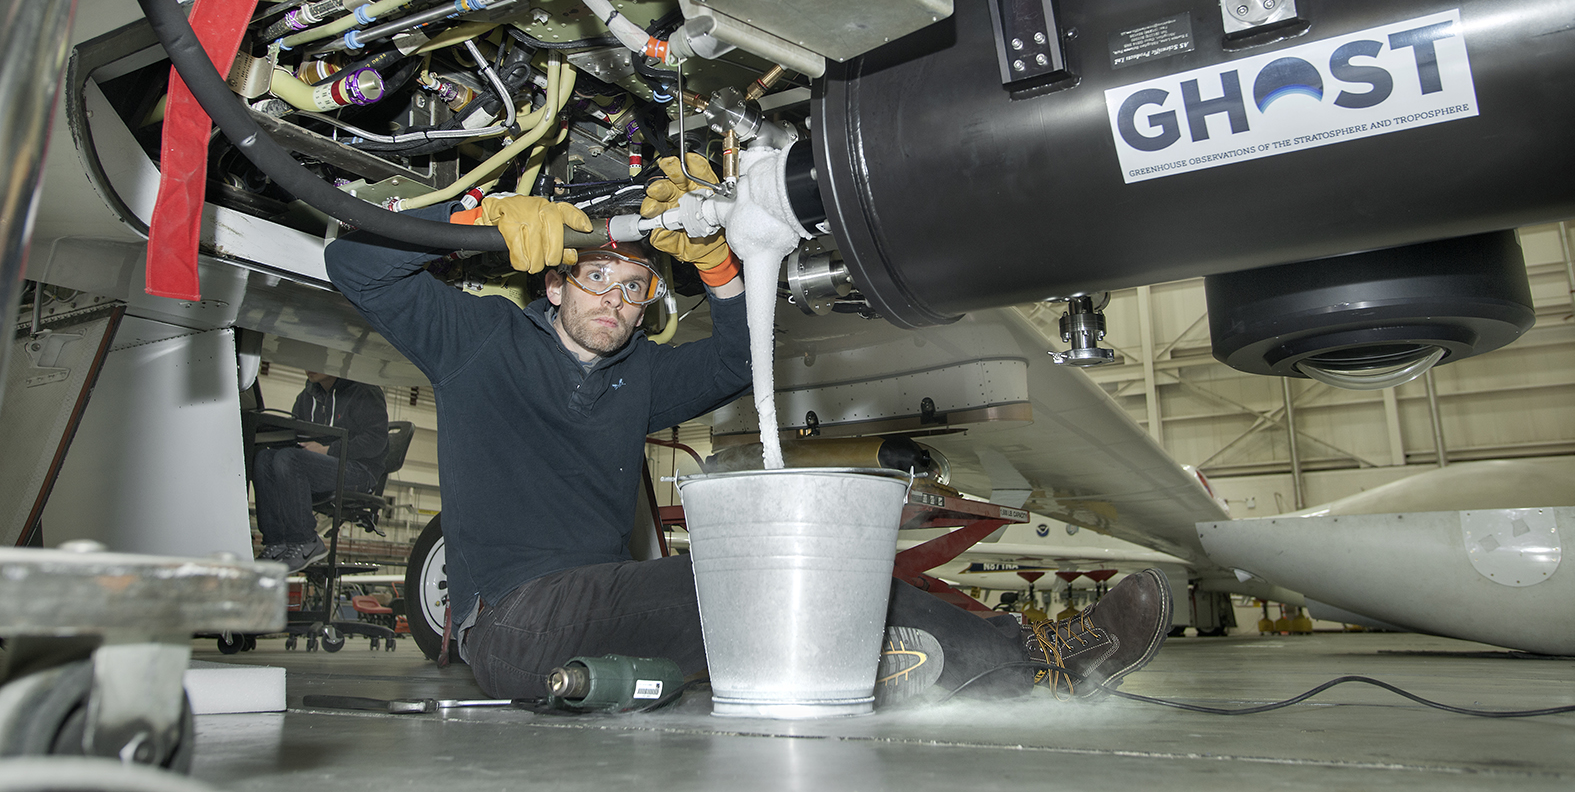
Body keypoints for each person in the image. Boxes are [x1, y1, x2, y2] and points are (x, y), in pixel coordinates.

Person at [325, 154, 1170, 705]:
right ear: (553, 285)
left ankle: (929, 665)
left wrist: (719, 265)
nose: (614, 302)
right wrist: (483, 216)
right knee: (750, 579)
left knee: (782, 589)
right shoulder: (477, 342)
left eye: (633, 289)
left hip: (615, 613)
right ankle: (1041, 659)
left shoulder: (636, 377)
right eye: (595, 279)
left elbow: (736, 357)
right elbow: (351, 261)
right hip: (513, 623)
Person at [253, 371, 389, 573]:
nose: (310, 366)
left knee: (287, 459)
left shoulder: (364, 391)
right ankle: (276, 543)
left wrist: (328, 450)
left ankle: (306, 540)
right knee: (264, 459)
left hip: (360, 471)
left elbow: (376, 440)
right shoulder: (307, 396)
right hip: (320, 468)